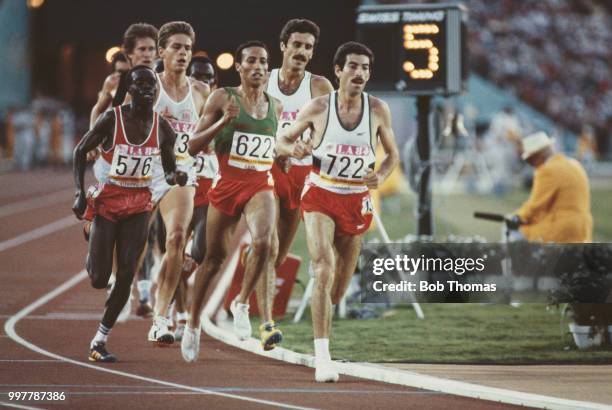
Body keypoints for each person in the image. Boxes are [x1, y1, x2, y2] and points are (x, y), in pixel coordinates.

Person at [276, 42, 399, 382]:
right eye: (354, 67)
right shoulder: (317, 108)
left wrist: (382, 174)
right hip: (321, 193)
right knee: (323, 267)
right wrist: (295, 146)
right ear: (338, 71)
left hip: (356, 198)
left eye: (365, 68)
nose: (360, 73)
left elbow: (392, 155)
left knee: (338, 288)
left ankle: (322, 324)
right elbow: (281, 142)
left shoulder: (378, 110)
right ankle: (322, 356)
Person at [72, 65, 186, 362]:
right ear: (130, 89)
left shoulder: (163, 128)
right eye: (141, 84)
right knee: (99, 278)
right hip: (109, 202)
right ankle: (92, 241)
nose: (148, 88)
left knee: (125, 275)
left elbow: (170, 170)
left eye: (152, 84)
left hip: (138, 204)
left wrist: (178, 178)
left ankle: (99, 341)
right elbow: (79, 151)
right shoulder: (113, 118)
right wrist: (79, 192)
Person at [181, 40, 282, 362]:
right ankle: (193, 323)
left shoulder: (275, 105)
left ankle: (241, 302)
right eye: (250, 60)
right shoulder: (223, 96)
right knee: (212, 261)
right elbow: (192, 146)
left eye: (263, 61)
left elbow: (273, 149)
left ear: (268, 67)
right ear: (238, 66)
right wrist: (223, 122)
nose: (258, 66)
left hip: (259, 184)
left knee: (265, 242)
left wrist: (291, 156)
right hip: (226, 185)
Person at [252, 19, 335, 351]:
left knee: (280, 254)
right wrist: (281, 147)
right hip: (266, 169)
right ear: (283, 45)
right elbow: (250, 125)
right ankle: (266, 324)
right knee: (268, 245)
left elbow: (330, 130)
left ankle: (248, 287)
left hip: (302, 177)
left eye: (309, 47)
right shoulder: (264, 80)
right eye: (297, 45)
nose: (302, 51)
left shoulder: (320, 87)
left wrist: (310, 144)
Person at [147, 21, 210, 346]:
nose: (183, 53)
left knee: (175, 239)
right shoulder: (150, 87)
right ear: (162, 51)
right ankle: (125, 281)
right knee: (126, 254)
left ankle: (161, 318)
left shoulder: (200, 92)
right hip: (145, 169)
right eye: (176, 47)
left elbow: (209, 140)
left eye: (187, 47)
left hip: (182, 171)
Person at [173, 56, 219, 342]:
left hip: (208, 192)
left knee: (198, 253)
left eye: (208, 77)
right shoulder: (180, 110)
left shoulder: (220, 108)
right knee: (174, 250)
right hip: (181, 189)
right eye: (197, 76)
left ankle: (176, 287)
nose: (203, 82)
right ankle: (179, 314)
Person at [510, 131, 592, 243]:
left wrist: (516, 217)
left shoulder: (547, 170)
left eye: (530, 160)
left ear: (537, 156)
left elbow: (535, 206)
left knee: (514, 232)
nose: (531, 164)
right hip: (583, 228)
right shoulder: (574, 164)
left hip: (561, 229)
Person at [90, 23, 158, 128]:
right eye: (142, 49)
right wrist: (94, 139)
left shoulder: (164, 80)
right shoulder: (115, 81)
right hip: (122, 141)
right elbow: (98, 110)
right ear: (130, 52)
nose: (147, 54)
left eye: (151, 49)